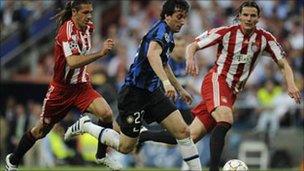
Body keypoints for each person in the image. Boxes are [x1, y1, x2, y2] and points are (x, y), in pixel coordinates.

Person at [135, 1, 301, 171]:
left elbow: (284, 64)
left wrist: (291, 84)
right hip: (217, 81)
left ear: (258, 18)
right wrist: (190, 57)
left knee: (188, 135)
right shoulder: (226, 32)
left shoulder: (265, 39)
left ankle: (144, 134)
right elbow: (193, 45)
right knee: (226, 118)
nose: (249, 19)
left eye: (253, 15)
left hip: (231, 92)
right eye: (245, 15)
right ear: (239, 16)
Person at [64, 0, 202, 170]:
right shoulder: (160, 30)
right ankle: (86, 125)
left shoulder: (168, 35)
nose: (182, 21)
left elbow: (164, 64)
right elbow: (152, 55)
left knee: (183, 132)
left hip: (152, 92)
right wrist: (166, 83)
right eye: (179, 17)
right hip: (134, 94)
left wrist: (180, 89)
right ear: (167, 16)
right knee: (125, 147)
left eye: (184, 18)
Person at [5, 0, 121, 171]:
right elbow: (72, 62)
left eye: (90, 12)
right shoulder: (65, 31)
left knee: (106, 114)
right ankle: (13, 160)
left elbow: (82, 57)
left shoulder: (89, 27)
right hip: (61, 91)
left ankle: (101, 155)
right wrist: (101, 53)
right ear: (74, 12)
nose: (89, 16)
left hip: (81, 86)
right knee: (40, 131)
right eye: (85, 12)